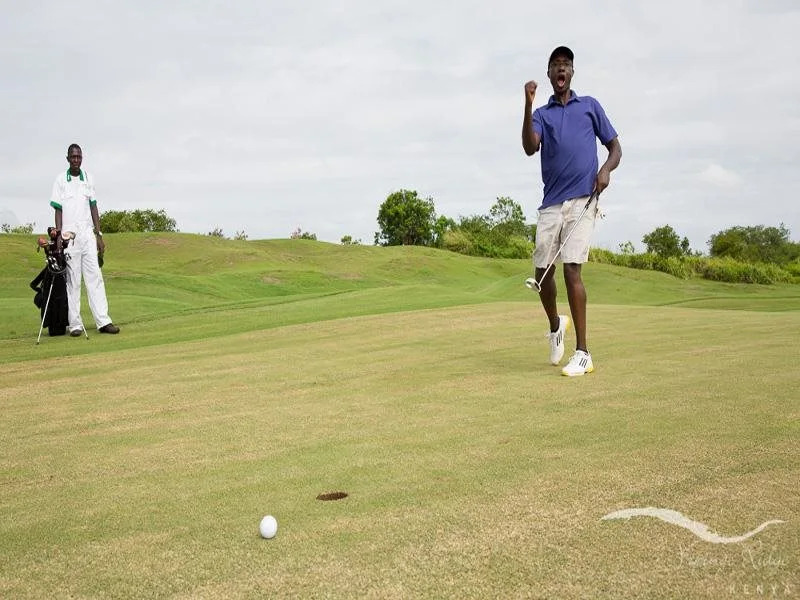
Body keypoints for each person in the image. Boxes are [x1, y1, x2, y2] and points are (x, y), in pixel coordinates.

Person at [521, 46, 621, 376]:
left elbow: (615, 147)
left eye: (566, 64)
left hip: (583, 199)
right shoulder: (542, 114)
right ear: (550, 74)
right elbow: (530, 147)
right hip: (551, 203)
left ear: (572, 72)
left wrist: (605, 170)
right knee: (542, 273)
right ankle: (555, 326)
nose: (561, 69)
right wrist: (528, 104)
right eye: (555, 65)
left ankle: (583, 352)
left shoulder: (589, 106)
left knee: (571, 270)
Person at [50, 143, 120, 336]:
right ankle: (75, 324)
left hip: (88, 235)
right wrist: (59, 234)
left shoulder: (88, 178)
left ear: (82, 158)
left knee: (95, 277)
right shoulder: (60, 180)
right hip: (69, 237)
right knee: (73, 281)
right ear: (67, 158)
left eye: (79, 157)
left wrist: (99, 234)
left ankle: (103, 321)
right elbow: (58, 209)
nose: (76, 160)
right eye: (73, 157)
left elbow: (93, 207)